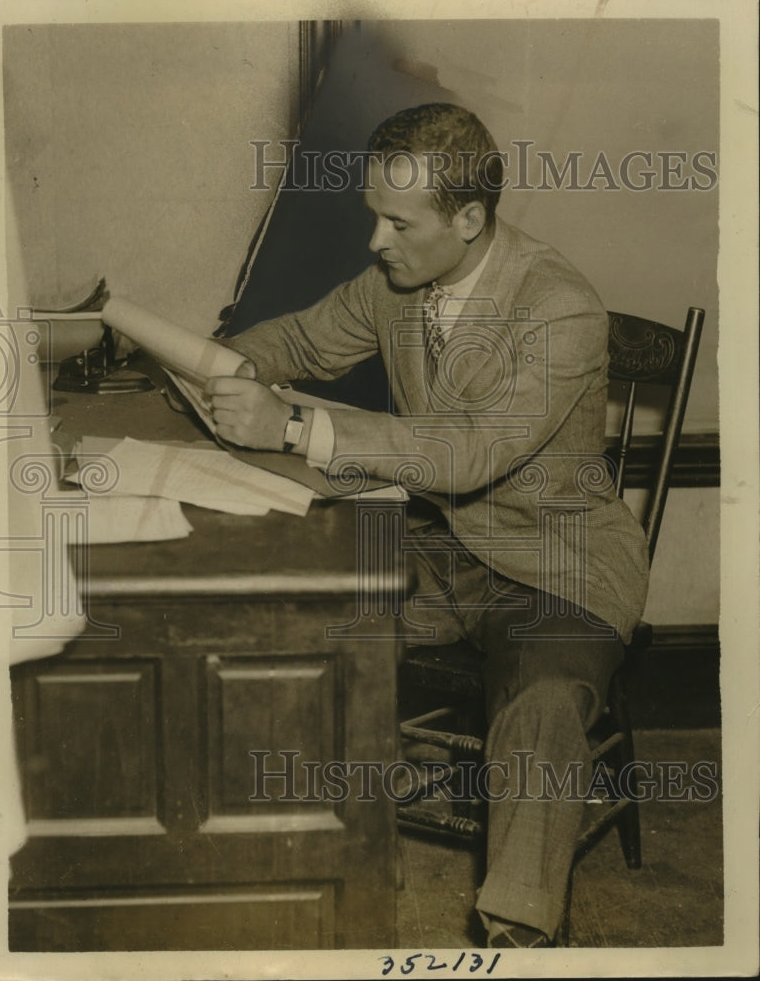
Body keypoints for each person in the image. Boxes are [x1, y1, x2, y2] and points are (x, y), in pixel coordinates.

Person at [207, 102, 649, 947]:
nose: (376, 241)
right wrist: (222, 367)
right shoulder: (395, 284)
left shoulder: (559, 308)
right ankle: (288, 872)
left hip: (557, 563)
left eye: (396, 221)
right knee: (287, 610)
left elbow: (468, 452)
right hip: (444, 546)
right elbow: (297, 342)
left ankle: (516, 935)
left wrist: (293, 428)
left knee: (541, 703)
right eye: (374, 214)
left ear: (469, 218)